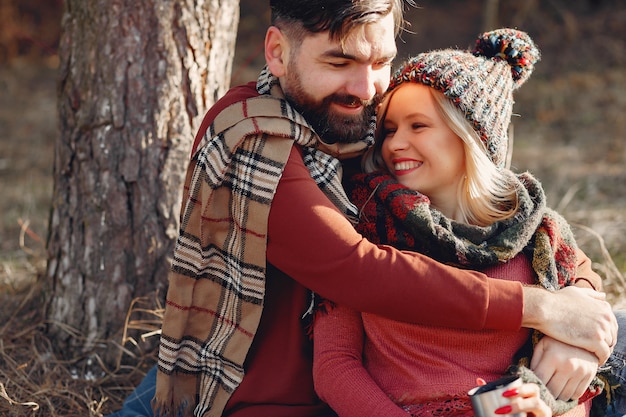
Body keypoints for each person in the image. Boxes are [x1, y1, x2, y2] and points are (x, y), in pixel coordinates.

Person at [106, 1, 618, 417]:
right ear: (278, 53)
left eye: (380, 62)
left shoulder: (361, 125)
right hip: (281, 396)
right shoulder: (254, 138)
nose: (368, 88)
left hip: (424, 378)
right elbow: (360, 270)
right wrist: (544, 310)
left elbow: (532, 230)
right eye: (339, 62)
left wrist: (577, 331)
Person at [311, 28, 614, 417]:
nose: (395, 143)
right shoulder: (363, 225)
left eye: (418, 126)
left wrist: (546, 404)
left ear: (469, 136)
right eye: (389, 130)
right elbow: (335, 366)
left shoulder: (536, 234)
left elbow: (576, 364)